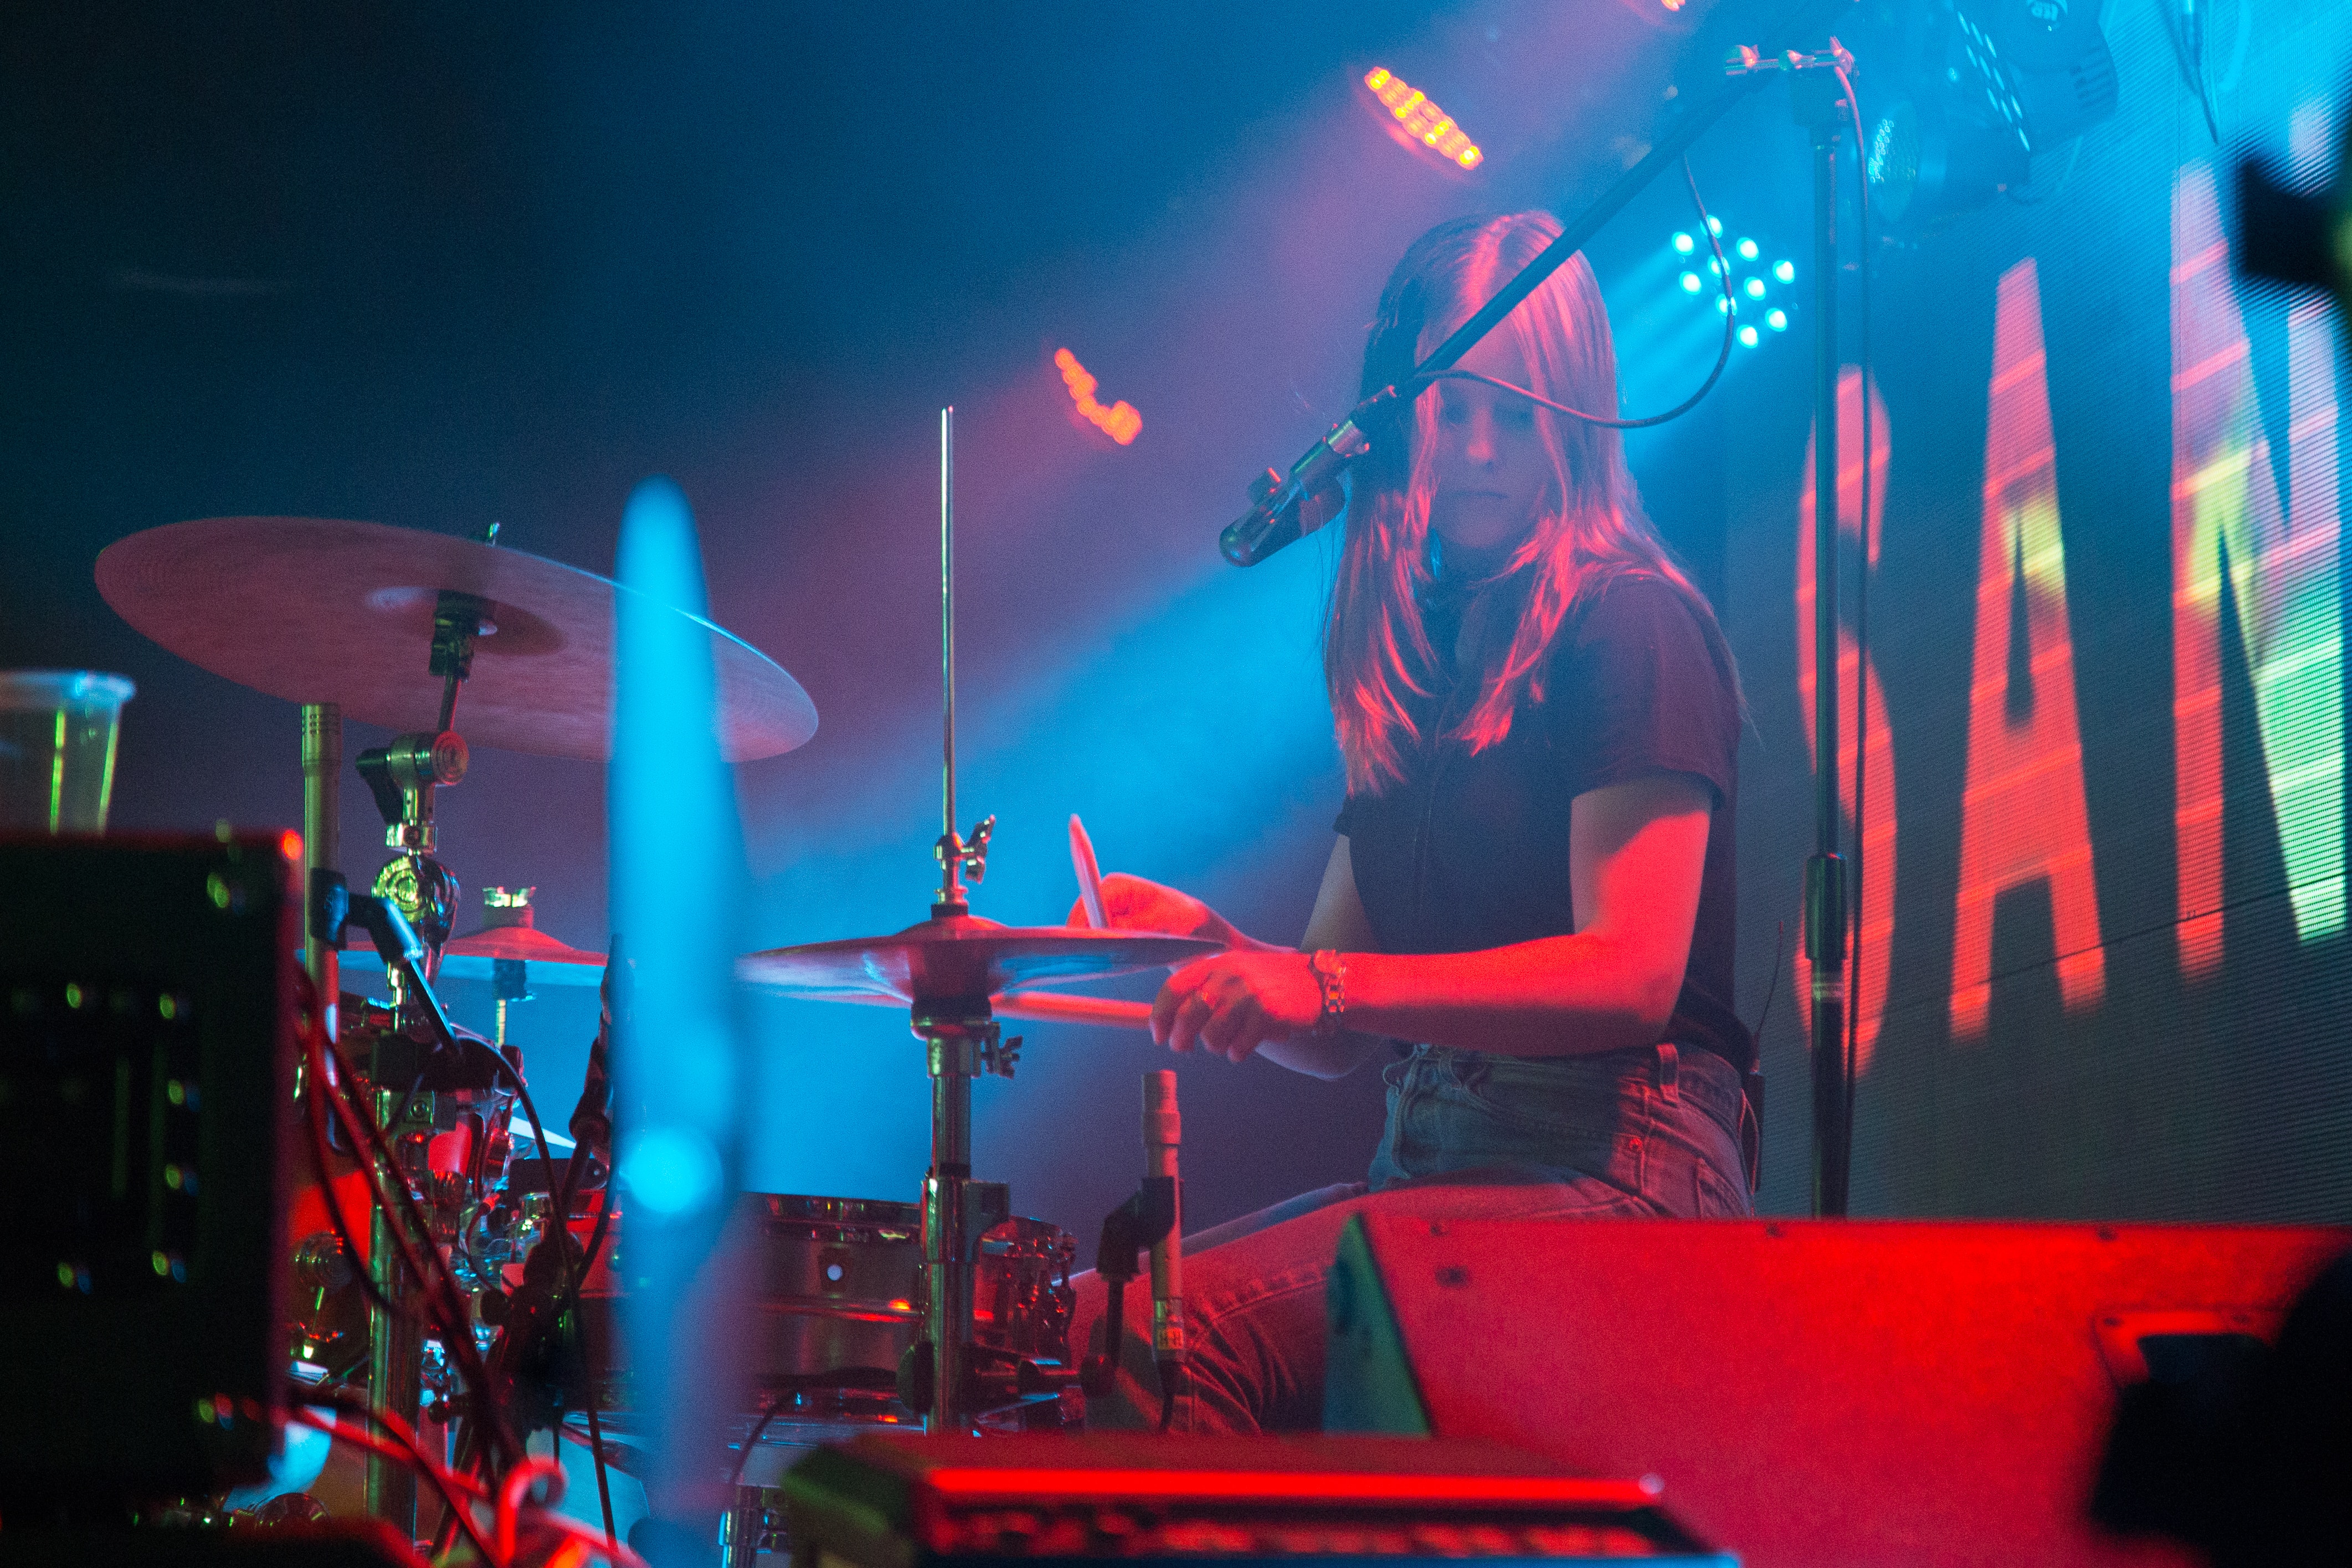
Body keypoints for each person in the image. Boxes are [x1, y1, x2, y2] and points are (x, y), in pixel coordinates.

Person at [1072, 210, 1754, 1435]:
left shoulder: (1628, 622)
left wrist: (1320, 985)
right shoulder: (1415, 661)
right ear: (1396, 423)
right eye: (1450, 409)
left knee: (1156, 1337)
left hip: (1620, 1169)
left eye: (1518, 411)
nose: (1481, 446)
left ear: (1577, 420)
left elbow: (1631, 973)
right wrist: (1208, 947)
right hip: (1442, 1169)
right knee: (1074, 1324)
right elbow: (1328, 1023)